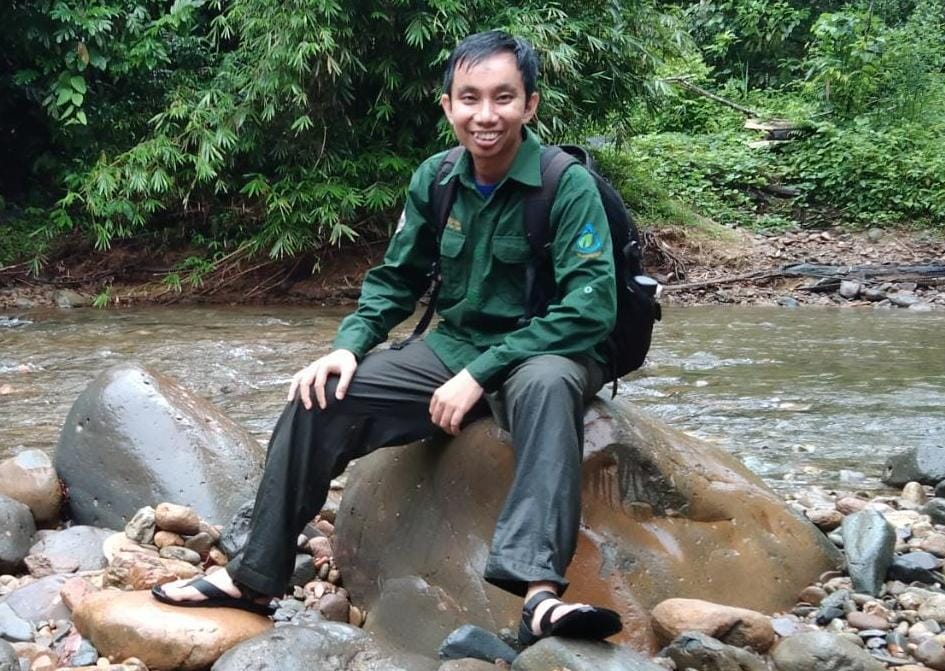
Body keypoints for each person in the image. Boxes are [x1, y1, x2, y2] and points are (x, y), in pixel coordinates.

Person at [152, 29, 622, 645]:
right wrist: (349, 344)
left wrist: (480, 373)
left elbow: (591, 308)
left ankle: (538, 596)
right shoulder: (437, 179)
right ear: (447, 105)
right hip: (455, 346)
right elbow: (397, 278)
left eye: (503, 98)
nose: (486, 115)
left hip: (547, 351)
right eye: (470, 97)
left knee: (546, 383)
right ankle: (254, 576)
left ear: (529, 104)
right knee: (320, 395)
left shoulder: (566, 185)